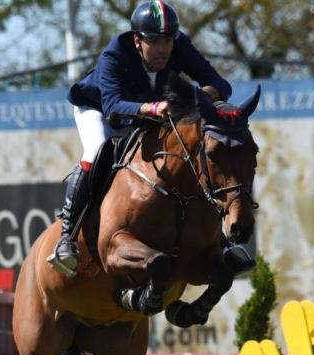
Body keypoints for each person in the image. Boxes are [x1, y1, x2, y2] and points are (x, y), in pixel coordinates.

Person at [48, 0, 257, 278]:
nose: (163, 49)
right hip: (99, 108)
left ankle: (219, 242)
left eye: (167, 41)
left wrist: (201, 96)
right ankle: (67, 237)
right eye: (155, 42)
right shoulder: (115, 53)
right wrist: (154, 108)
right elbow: (112, 108)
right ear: (138, 40)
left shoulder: (180, 46)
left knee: (189, 158)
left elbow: (221, 84)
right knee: (97, 150)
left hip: (149, 112)